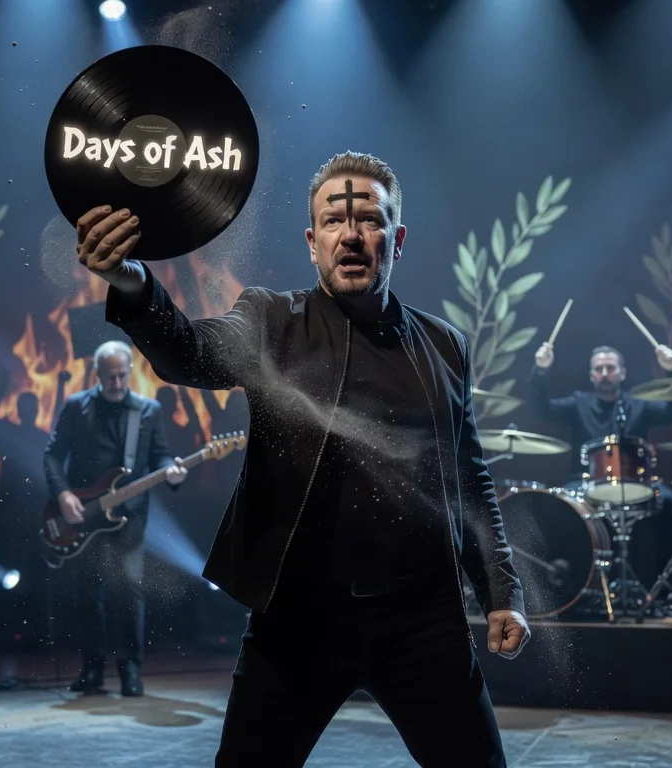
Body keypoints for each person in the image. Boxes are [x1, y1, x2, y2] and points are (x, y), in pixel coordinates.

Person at [75, 151, 528, 767]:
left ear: (395, 239)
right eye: (335, 224)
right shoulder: (269, 320)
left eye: (368, 219)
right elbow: (188, 353)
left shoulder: (446, 347)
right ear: (313, 243)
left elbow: (471, 479)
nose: (351, 234)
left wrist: (502, 590)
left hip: (423, 623)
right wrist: (131, 280)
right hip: (298, 622)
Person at [43, 340, 188, 696]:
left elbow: (162, 457)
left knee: (129, 591)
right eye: (111, 376)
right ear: (97, 375)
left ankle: (130, 672)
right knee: (87, 594)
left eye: (123, 375)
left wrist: (173, 471)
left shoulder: (148, 410)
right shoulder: (77, 407)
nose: (118, 382)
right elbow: (52, 455)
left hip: (129, 517)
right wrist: (63, 495)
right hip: (84, 516)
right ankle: (92, 670)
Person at [529, 341, 672, 593]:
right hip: (586, 481)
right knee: (562, 504)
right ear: (591, 375)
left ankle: (668, 590)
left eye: (610, 368)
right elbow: (542, 408)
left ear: (622, 372)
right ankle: (573, 587)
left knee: (668, 501)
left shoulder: (639, 404)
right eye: (599, 369)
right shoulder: (579, 404)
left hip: (636, 482)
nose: (604, 373)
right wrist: (541, 370)